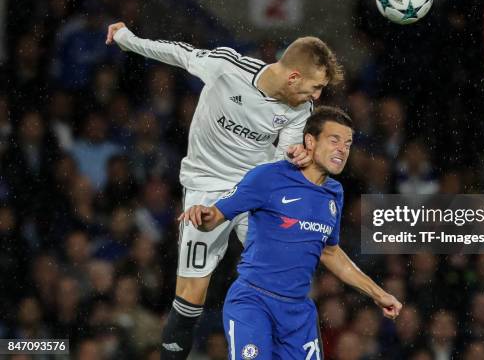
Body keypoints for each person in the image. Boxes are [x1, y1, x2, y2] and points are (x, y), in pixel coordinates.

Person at [105, 22, 344, 360]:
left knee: (287, 282)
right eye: (316, 87)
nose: (317, 97)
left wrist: (294, 161)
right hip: (205, 186)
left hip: (253, 189)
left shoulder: (300, 111)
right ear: (293, 78)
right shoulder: (227, 67)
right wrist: (128, 40)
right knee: (190, 297)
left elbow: (279, 164)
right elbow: (177, 53)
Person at [180, 106, 402, 359]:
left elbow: (330, 252)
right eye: (334, 140)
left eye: (348, 143)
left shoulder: (334, 193)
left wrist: (379, 294)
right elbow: (215, 216)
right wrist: (202, 215)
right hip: (254, 302)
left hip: (298, 314)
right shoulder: (268, 177)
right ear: (310, 140)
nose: (343, 148)